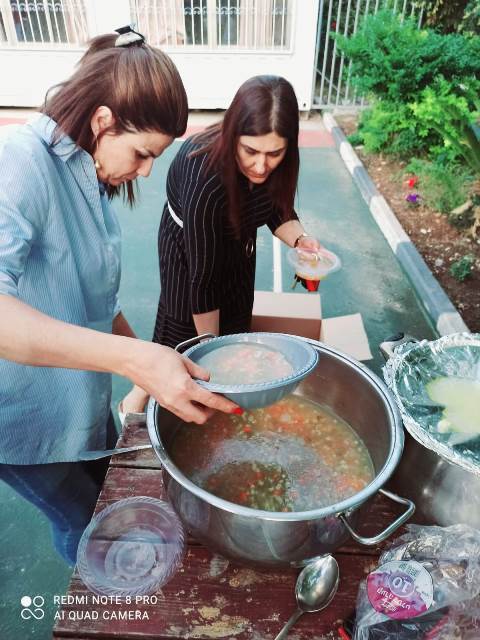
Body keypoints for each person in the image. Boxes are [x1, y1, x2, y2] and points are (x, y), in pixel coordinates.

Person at [0, 27, 238, 566]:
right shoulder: (18, 161)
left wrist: (147, 366)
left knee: (106, 488)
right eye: (142, 152)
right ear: (104, 120)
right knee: (83, 520)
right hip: (22, 419)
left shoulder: (90, 173)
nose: (147, 170)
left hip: (79, 399)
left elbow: (96, 300)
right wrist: (136, 359)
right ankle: (96, 603)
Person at [122, 75, 320, 414]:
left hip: (237, 243)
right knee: (182, 338)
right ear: (233, 138)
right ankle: (133, 407)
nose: (262, 166)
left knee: (236, 312)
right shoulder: (206, 180)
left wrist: (301, 241)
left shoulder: (274, 163)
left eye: (274, 154)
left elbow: (277, 207)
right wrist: (214, 354)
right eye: (251, 151)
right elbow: (203, 282)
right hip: (189, 252)